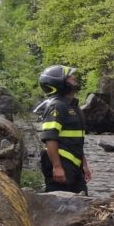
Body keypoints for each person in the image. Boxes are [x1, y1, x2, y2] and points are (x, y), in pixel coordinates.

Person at [37, 65, 91, 194]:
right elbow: (50, 138)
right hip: (61, 163)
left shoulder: (73, 106)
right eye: (69, 77)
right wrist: (57, 166)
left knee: (82, 204)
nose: (74, 78)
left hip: (74, 165)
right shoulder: (57, 106)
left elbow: (76, 139)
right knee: (60, 206)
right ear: (59, 83)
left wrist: (83, 164)